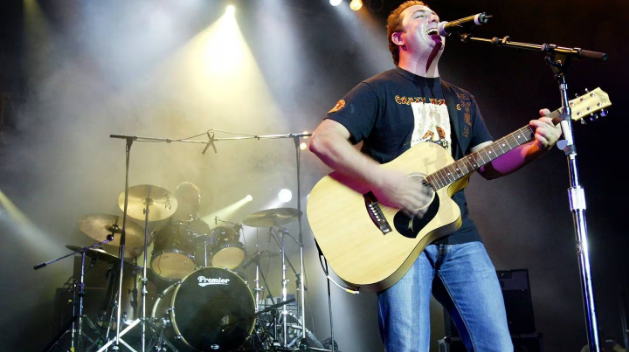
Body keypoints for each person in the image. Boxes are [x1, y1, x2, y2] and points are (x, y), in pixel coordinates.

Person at [308, 1, 562, 351]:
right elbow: (323, 140)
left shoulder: (462, 100)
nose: (434, 19)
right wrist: (384, 181)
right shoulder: (378, 89)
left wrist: (536, 147)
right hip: (394, 241)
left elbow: (487, 164)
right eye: (420, 16)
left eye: (434, 15)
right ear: (399, 38)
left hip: (458, 236)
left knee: (498, 346)